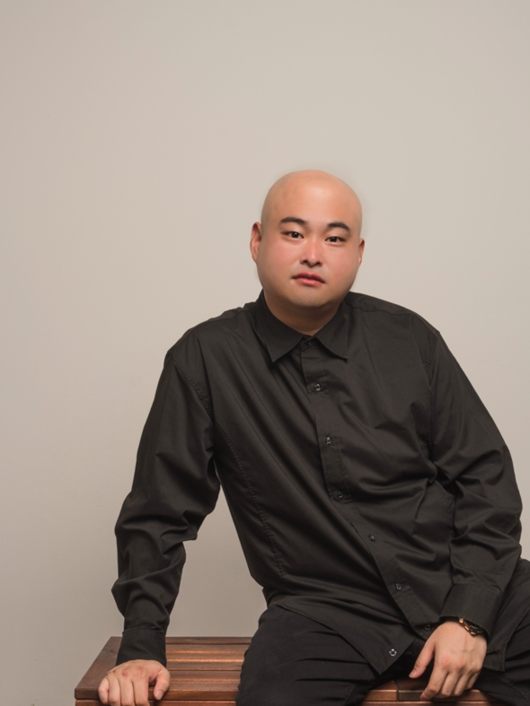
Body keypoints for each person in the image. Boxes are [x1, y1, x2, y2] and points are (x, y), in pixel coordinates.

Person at [99, 171, 530, 706]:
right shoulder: (205, 358)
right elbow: (158, 513)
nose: (313, 254)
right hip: (325, 613)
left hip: (458, 583)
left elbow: (486, 480)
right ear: (257, 241)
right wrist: (142, 643)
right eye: (294, 233)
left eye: (334, 237)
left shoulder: (411, 339)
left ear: (358, 253)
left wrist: (468, 618)